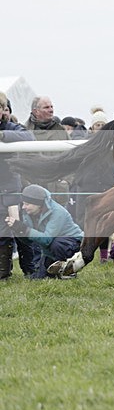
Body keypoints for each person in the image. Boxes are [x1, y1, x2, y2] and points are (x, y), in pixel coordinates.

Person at [4, 184, 83, 279]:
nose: (23, 207)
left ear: (38, 204)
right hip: (49, 250)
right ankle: (56, 271)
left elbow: (47, 240)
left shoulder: (58, 212)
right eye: (23, 203)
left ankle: (69, 271)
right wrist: (18, 230)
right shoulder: (28, 212)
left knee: (57, 243)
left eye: (27, 204)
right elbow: (30, 241)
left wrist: (25, 229)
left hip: (72, 243)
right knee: (37, 278)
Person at [0, 92, 36, 279]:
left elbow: (29, 137)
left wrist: (3, 135)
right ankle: (4, 271)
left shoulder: (9, 127)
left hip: (9, 189)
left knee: (18, 228)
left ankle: (29, 269)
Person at [23, 96, 71, 206]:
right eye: (46, 107)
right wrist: (26, 184)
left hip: (58, 191)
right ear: (36, 111)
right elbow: (19, 160)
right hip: (33, 192)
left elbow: (72, 156)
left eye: (51, 106)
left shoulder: (60, 131)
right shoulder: (24, 131)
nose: (51, 110)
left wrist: (67, 181)